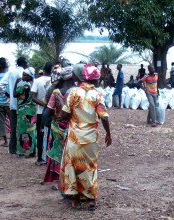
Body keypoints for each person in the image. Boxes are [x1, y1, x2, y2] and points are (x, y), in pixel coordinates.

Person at [60, 64, 112, 211]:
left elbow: (64, 114)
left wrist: (73, 117)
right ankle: (90, 199)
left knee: (73, 165)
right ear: (95, 81)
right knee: (90, 166)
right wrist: (108, 133)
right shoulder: (97, 95)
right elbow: (104, 117)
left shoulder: (74, 93)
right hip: (90, 138)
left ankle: (74, 199)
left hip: (75, 137)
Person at [43, 66, 73, 184]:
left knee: (56, 151)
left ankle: (57, 180)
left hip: (57, 126)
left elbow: (48, 111)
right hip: (71, 126)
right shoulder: (76, 92)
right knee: (68, 152)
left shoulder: (56, 92)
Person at [0, 57, 29, 154]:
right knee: (24, 126)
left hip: (13, 103)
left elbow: (1, 84)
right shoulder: (26, 73)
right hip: (23, 105)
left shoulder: (11, 72)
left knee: (13, 126)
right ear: (24, 63)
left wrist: (8, 94)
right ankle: (22, 147)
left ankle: (12, 148)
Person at [31, 62, 52, 165]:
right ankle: (49, 158)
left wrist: (44, 104)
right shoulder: (55, 81)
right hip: (52, 112)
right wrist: (49, 105)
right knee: (50, 135)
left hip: (40, 112)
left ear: (44, 70)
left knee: (40, 134)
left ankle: (40, 158)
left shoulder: (37, 81)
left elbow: (33, 97)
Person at [13, 68, 37, 157]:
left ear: (29, 76)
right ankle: (32, 150)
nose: (22, 76)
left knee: (22, 130)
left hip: (23, 111)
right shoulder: (34, 84)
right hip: (33, 110)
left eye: (24, 75)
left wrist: (16, 83)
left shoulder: (24, 85)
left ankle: (22, 151)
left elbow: (15, 94)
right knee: (32, 131)